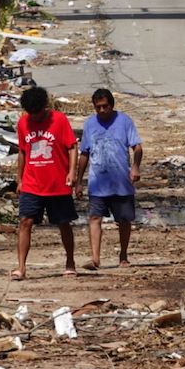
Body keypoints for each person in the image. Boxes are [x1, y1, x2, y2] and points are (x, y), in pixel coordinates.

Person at [14, 87, 79, 280]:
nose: (35, 117)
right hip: (32, 183)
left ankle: (70, 261)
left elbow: (72, 147)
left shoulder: (59, 120)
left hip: (57, 183)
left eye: (38, 112)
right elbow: (22, 152)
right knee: (25, 222)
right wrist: (19, 179)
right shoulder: (23, 123)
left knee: (63, 223)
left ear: (45, 107)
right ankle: (21, 267)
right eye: (31, 113)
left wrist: (72, 172)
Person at [75, 89, 143, 270]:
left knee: (124, 220)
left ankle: (123, 255)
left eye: (105, 106)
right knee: (95, 217)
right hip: (98, 182)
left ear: (112, 105)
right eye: (98, 107)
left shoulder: (124, 121)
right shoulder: (90, 124)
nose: (102, 110)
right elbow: (84, 153)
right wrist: (78, 181)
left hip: (121, 181)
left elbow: (137, 147)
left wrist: (135, 167)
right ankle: (95, 258)